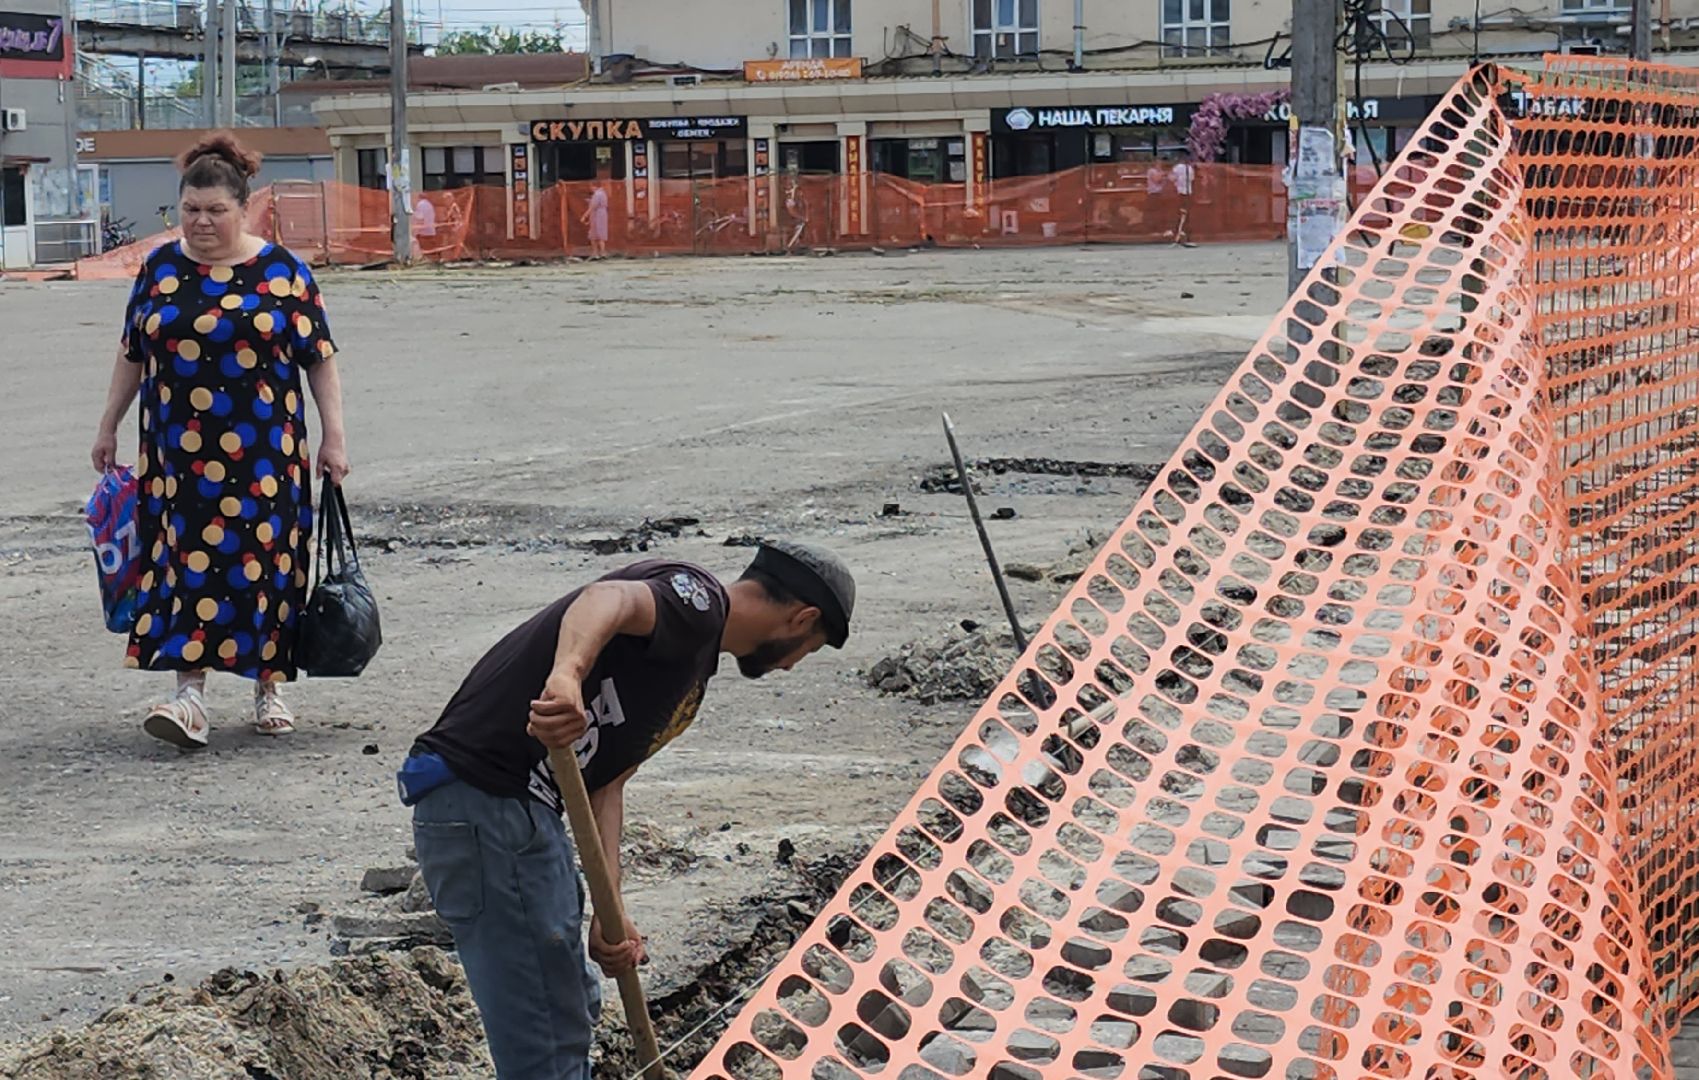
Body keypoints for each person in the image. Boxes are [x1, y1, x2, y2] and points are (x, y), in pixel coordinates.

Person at [398, 541, 855, 1079]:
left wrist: (609, 910)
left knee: (571, 1007)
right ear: (802, 618)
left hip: (521, 818)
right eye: (810, 648)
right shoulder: (699, 603)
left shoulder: (688, 673)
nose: (792, 666)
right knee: (546, 1039)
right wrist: (567, 673)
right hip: (487, 805)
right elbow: (607, 598)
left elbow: (607, 787)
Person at [90, 131, 351, 748]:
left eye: (215, 211)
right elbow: (133, 351)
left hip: (265, 453)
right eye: (189, 210)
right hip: (177, 456)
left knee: (265, 565)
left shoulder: (283, 273)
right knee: (185, 567)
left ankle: (268, 684)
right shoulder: (160, 267)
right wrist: (108, 423)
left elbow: (319, 358)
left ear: (245, 207)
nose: (201, 222)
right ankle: (191, 697)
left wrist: (334, 438)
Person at [1171, 156, 1196, 248]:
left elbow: (1172, 178)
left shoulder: (1177, 168)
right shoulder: (1190, 168)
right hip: (1188, 193)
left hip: (1180, 193)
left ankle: (1179, 237)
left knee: (1181, 215)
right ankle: (1184, 236)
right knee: (1186, 215)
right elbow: (1192, 180)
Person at [581, 184, 609, 260]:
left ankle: (595, 253)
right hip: (603, 214)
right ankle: (602, 253)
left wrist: (584, 216)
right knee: (601, 234)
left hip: (597, 215)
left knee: (594, 234)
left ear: (594, 186)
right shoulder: (603, 193)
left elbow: (593, 207)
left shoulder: (597, 194)